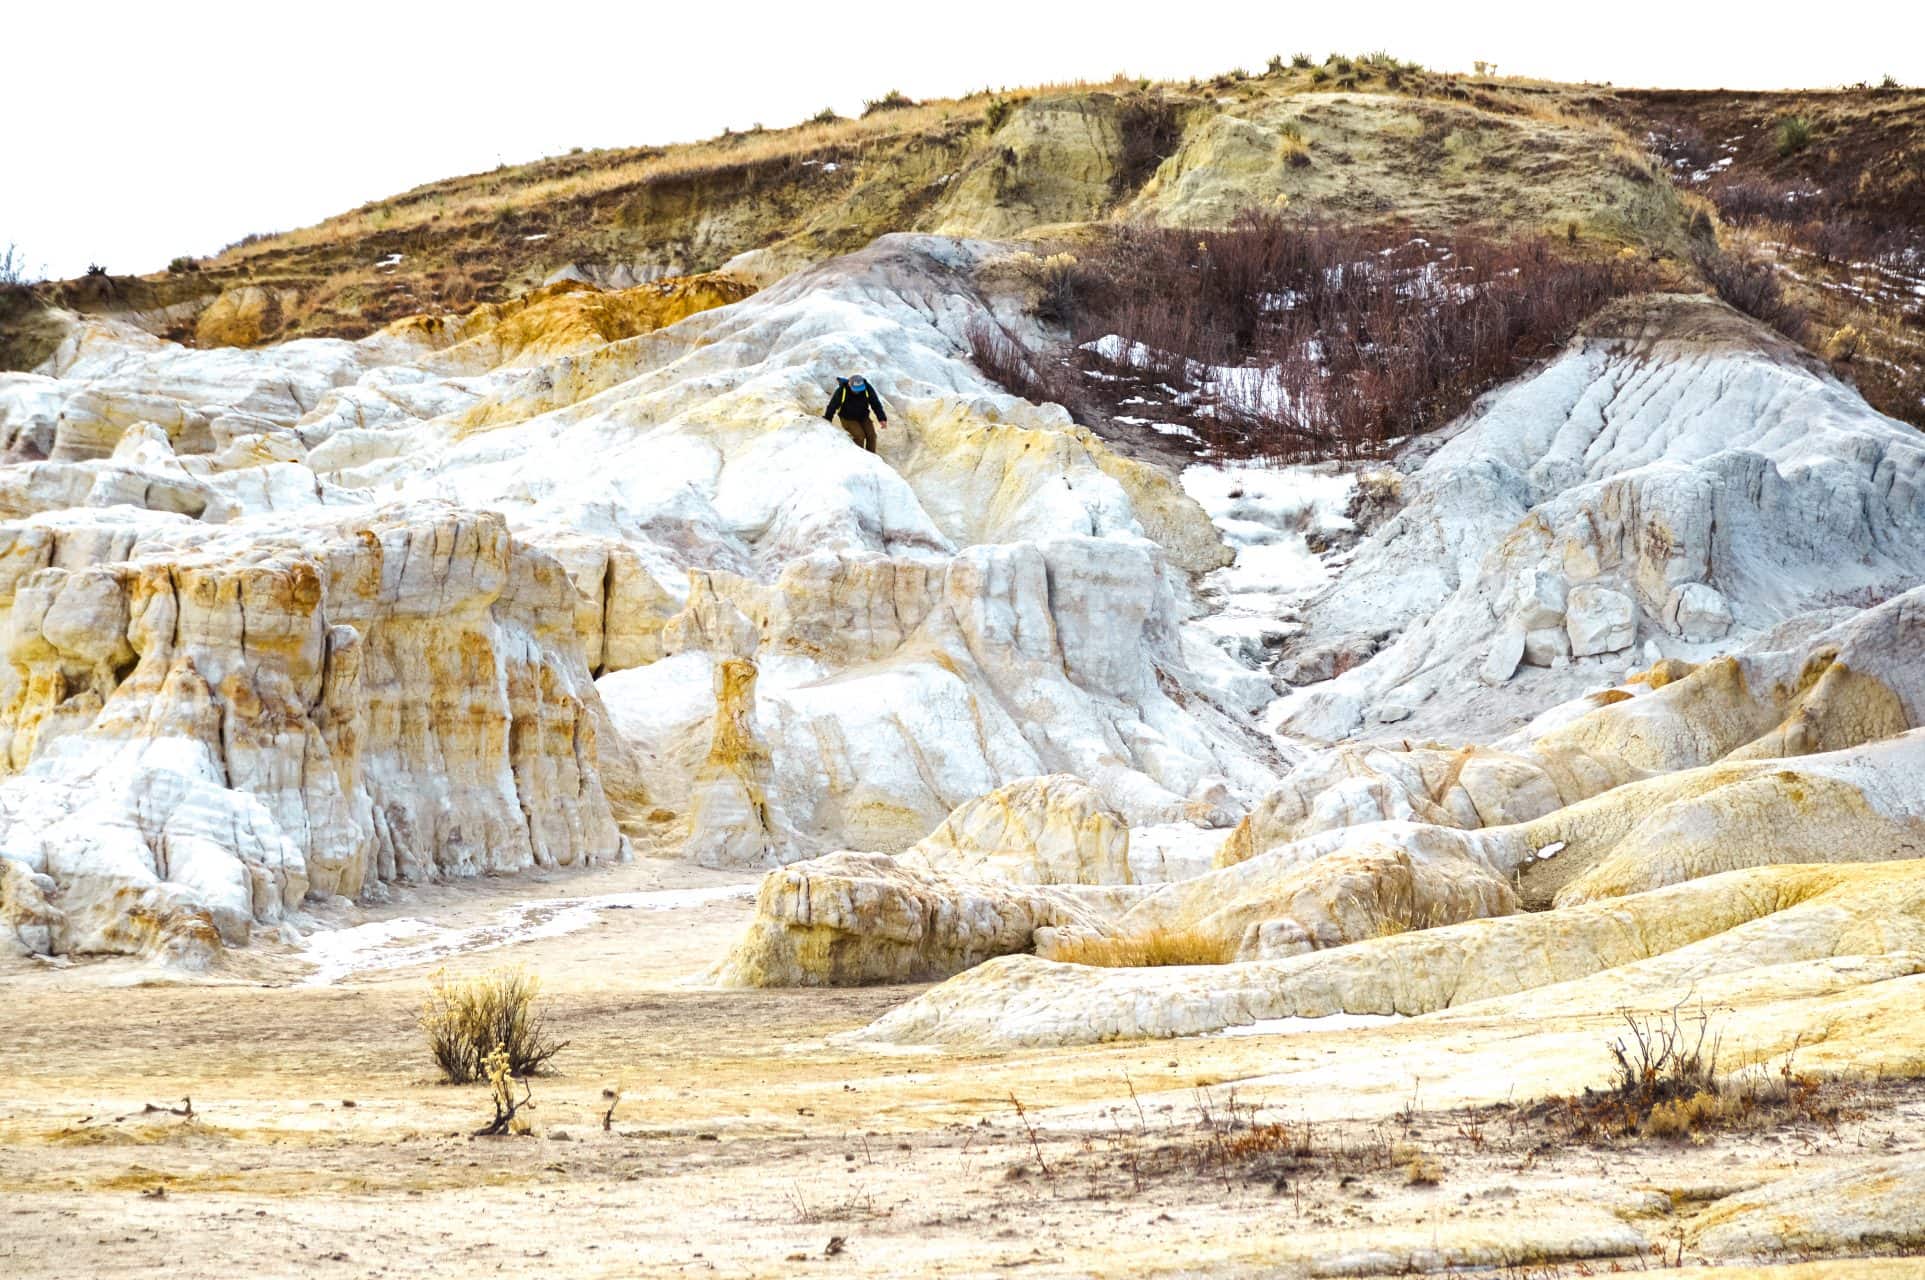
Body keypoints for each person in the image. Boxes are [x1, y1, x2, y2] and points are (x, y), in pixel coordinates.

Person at [822, 374, 888, 452]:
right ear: (850, 385)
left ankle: (872, 457)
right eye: (856, 389)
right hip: (847, 418)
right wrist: (827, 419)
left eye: (860, 389)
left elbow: (875, 403)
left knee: (872, 436)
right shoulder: (842, 390)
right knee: (859, 436)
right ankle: (858, 457)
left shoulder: (867, 388)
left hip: (863, 416)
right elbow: (832, 406)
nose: (858, 391)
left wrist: (882, 418)